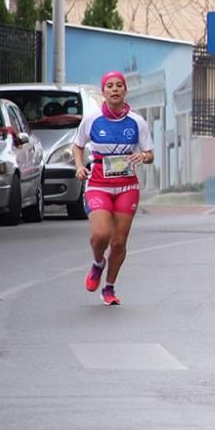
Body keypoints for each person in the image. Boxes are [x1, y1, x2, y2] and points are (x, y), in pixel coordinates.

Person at [73, 71, 154, 306]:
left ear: (125, 90)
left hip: (127, 186)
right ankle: (98, 262)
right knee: (101, 235)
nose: (115, 89)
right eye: (110, 86)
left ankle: (109, 287)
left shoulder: (137, 122)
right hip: (98, 184)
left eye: (119, 85)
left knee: (118, 242)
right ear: (103, 92)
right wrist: (79, 166)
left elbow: (150, 154)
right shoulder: (92, 119)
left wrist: (143, 156)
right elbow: (77, 146)